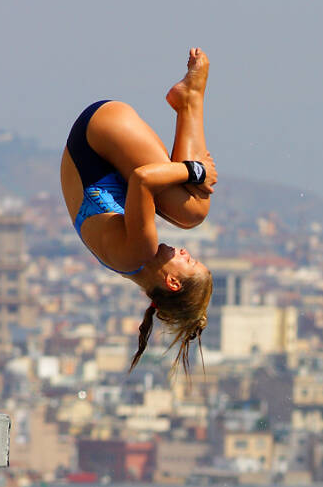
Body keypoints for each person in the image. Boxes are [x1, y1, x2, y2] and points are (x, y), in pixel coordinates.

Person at [60, 48, 216, 377]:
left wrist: (196, 172)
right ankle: (187, 99)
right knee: (188, 211)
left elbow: (144, 179)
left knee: (195, 211)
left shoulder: (140, 251)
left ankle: (190, 100)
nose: (186, 252)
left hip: (98, 137)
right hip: (92, 151)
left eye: (190, 262)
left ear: (173, 282)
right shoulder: (129, 265)